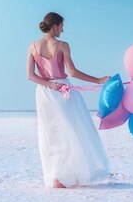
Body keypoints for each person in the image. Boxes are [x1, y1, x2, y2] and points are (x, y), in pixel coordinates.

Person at [26, 12, 111, 188]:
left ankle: (57, 176)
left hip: (45, 92)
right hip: (63, 90)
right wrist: (98, 80)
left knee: (52, 134)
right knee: (73, 130)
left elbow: (30, 76)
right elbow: (72, 72)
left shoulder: (32, 47)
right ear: (55, 25)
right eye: (61, 26)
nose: (63, 30)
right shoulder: (63, 45)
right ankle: (71, 174)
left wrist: (50, 86)